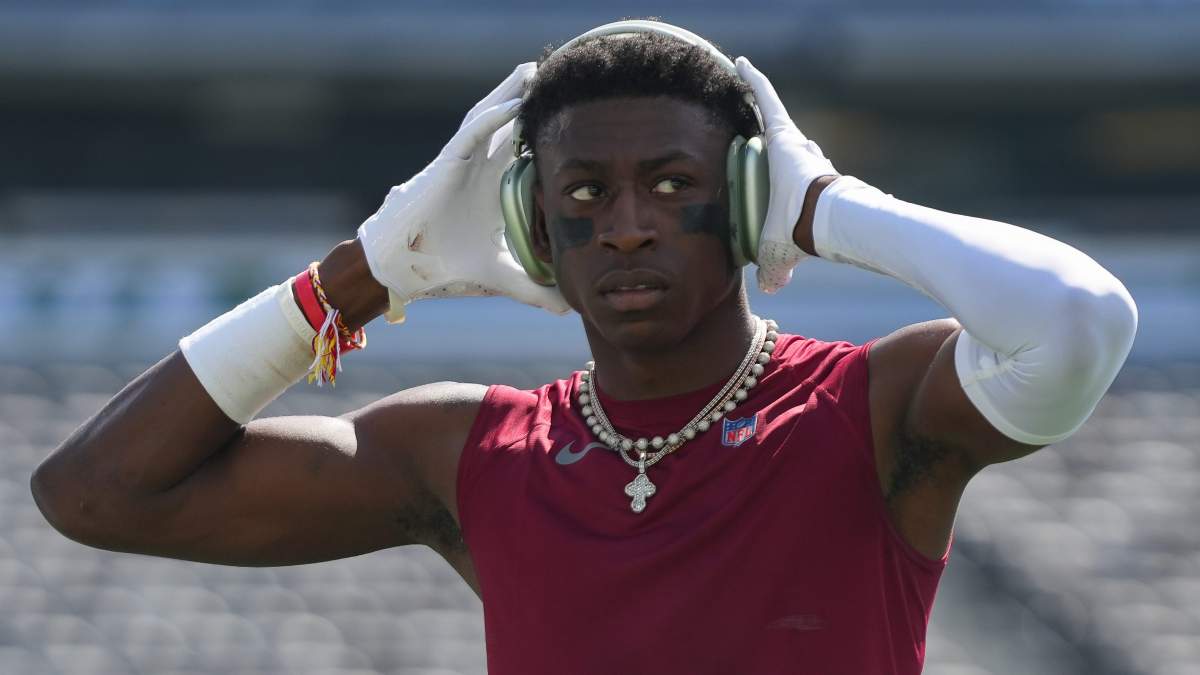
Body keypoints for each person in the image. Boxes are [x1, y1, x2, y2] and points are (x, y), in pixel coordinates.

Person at [30, 20, 1137, 674]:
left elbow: (1080, 318)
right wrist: (358, 276)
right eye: (585, 193)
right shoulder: (469, 451)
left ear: (745, 199)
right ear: (531, 226)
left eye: (673, 183)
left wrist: (827, 209)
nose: (627, 227)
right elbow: (95, 493)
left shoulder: (874, 406)